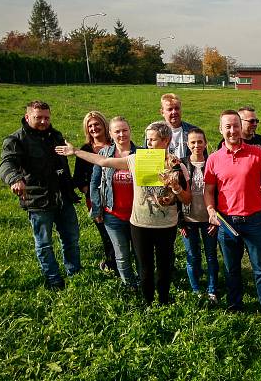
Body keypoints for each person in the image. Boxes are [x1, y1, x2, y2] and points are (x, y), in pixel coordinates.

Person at [57, 121, 191, 305]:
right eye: (147, 140)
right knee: (144, 267)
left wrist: (176, 188)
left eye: (152, 140)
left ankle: (164, 302)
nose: (148, 144)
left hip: (166, 225)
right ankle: (148, 303)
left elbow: (187, 199)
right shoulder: (137, 159)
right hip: (140, 224)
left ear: (166, 140)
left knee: (164, 267)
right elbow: (104, 161)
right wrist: (76, 152)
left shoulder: (177, 165)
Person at [204, 110, 261, 324]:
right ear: (221, 129)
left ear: (240, 127)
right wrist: (210, 210)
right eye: (228, 126)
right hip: (227, 221)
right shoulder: (214, 159)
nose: (232, 131)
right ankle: (235, 304)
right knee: (232, 268)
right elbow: (208, 190)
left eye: (235, 126)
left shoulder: (256, 153)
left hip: (253, 220)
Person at [0, 100, 81, 289]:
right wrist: (14, 178)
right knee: (44, 244)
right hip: (38, 200)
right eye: (38, 118)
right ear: (28, 117)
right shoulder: (16, 140)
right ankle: (54, 280)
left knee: (71, 239)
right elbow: (6, 163)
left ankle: (75, 275)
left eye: (46, 117)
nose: (44, 122)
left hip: (63, 198)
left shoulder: (55, 135)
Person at [89, 116, 138, 289]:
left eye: (125, 130)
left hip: (137, 216)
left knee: (140, 254)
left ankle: (144, 283)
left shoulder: (141, 153)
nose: (121, 134)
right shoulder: (104, 154)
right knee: (122, 254)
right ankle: (130, 287)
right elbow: (94, 183)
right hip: (113, 215)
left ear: (130, 131)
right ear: (110, 133)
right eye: (117, 131)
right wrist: (97, 210)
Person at [73, 111, 117, 273]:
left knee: (121, 231)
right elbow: (78, 178)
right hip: (95, 199)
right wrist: (90, 193)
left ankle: (123, 260)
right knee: (105, 232)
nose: (94, 128)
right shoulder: (85, 149)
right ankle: (112, 263)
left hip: (119, 196)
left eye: (97, 124)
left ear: (104, 125)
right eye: (90, 126)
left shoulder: (116, 144)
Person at [179, 128, 219, 304]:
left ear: (205, 143)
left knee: (211, 256)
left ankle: (212, 291)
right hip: (188, 220)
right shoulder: (180, 165)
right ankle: (195, 289)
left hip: (208, 219)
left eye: (200, 142)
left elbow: (220, 193)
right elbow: (175, 195)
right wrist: (180, 222)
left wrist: (216, 219)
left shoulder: (213, 162)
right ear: (188, 144)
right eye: (193, 142)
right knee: (192, 256)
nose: (197, 145)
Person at [155, 93, 198, 160]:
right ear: (162, 112)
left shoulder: (193, 131)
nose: (174, 112)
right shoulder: (154, 133)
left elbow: (203, 159)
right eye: (170, 109)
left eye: (177, 108)